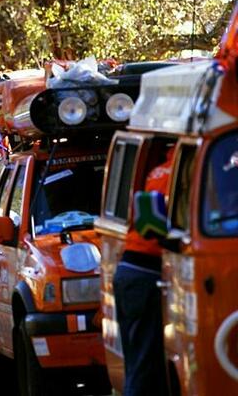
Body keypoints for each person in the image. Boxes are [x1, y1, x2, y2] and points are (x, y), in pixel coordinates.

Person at [113, 146, 175, 396]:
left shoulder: (158, 172)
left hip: (130, 270)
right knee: (145, 371)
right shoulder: (183, 173)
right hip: (147, 273)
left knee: (138, 364)